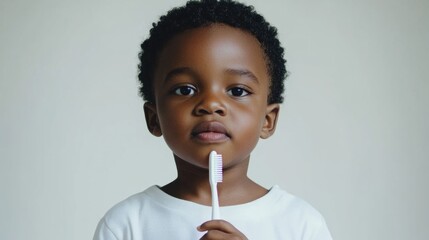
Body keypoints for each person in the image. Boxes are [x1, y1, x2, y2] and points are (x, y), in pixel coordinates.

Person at [93, 0, 333, 239]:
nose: (210, 104)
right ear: (154, 118)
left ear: (268, 120)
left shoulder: (302, 224)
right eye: (184, 90)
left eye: (237, 91)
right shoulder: (126, 224)